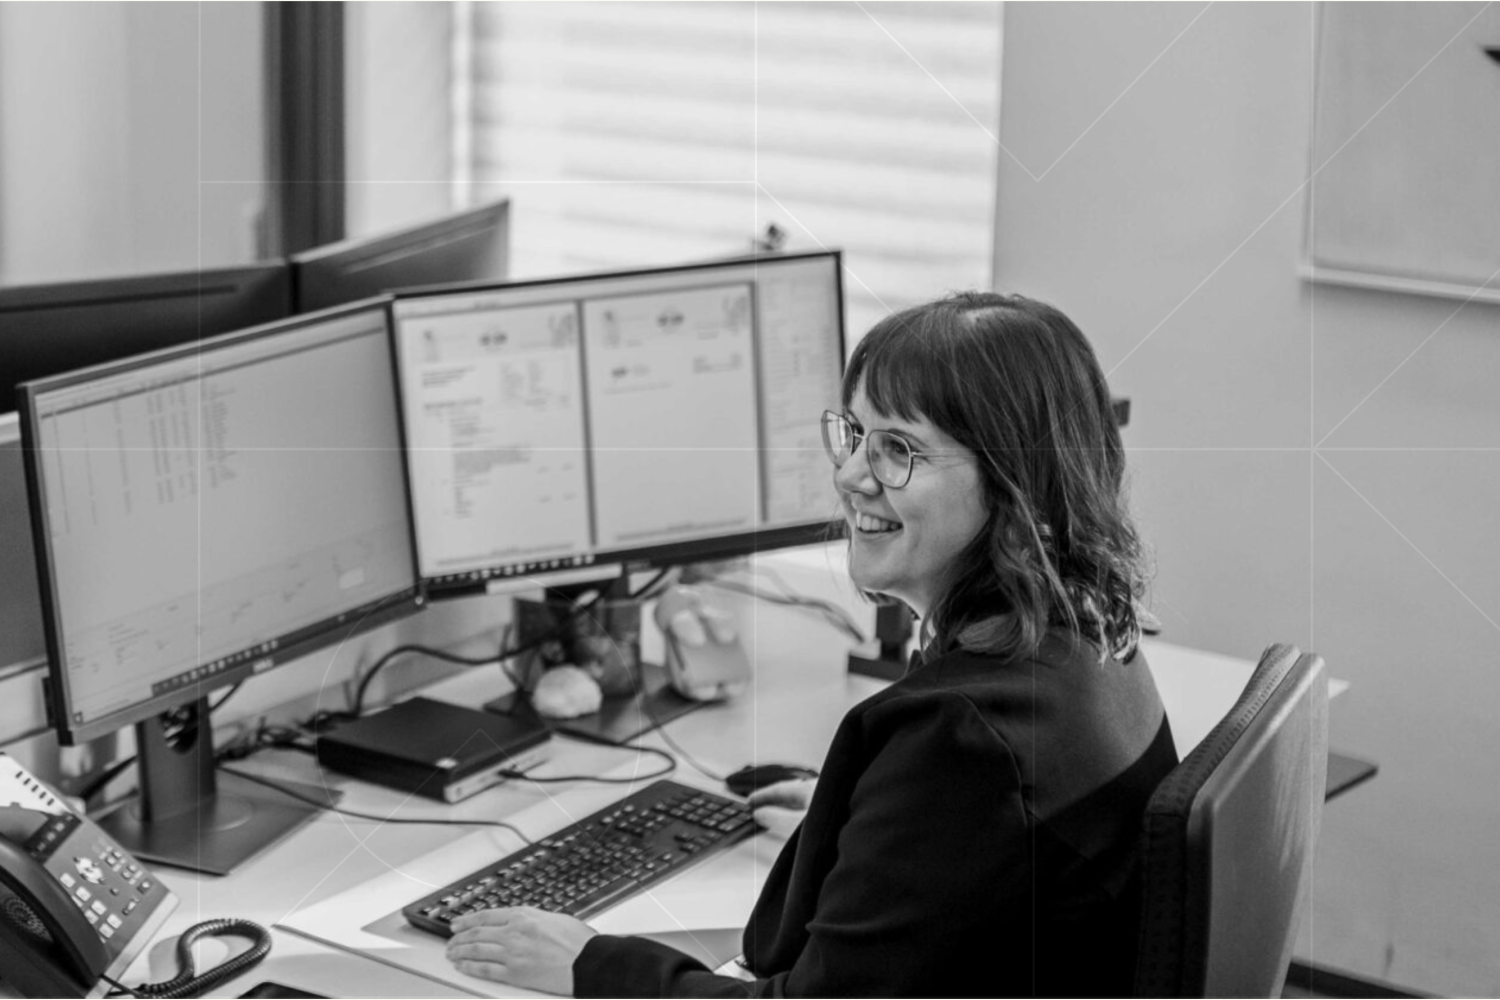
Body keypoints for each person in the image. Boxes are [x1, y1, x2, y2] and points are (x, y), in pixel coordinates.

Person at [445, 291, 1179, 997]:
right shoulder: (1092, 633)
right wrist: (867, 839)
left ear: (1013, 484)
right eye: (855, 434)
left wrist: (590, 965)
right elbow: (984, 864)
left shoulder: (963, 740)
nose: (852, 474)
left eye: (899, 449)